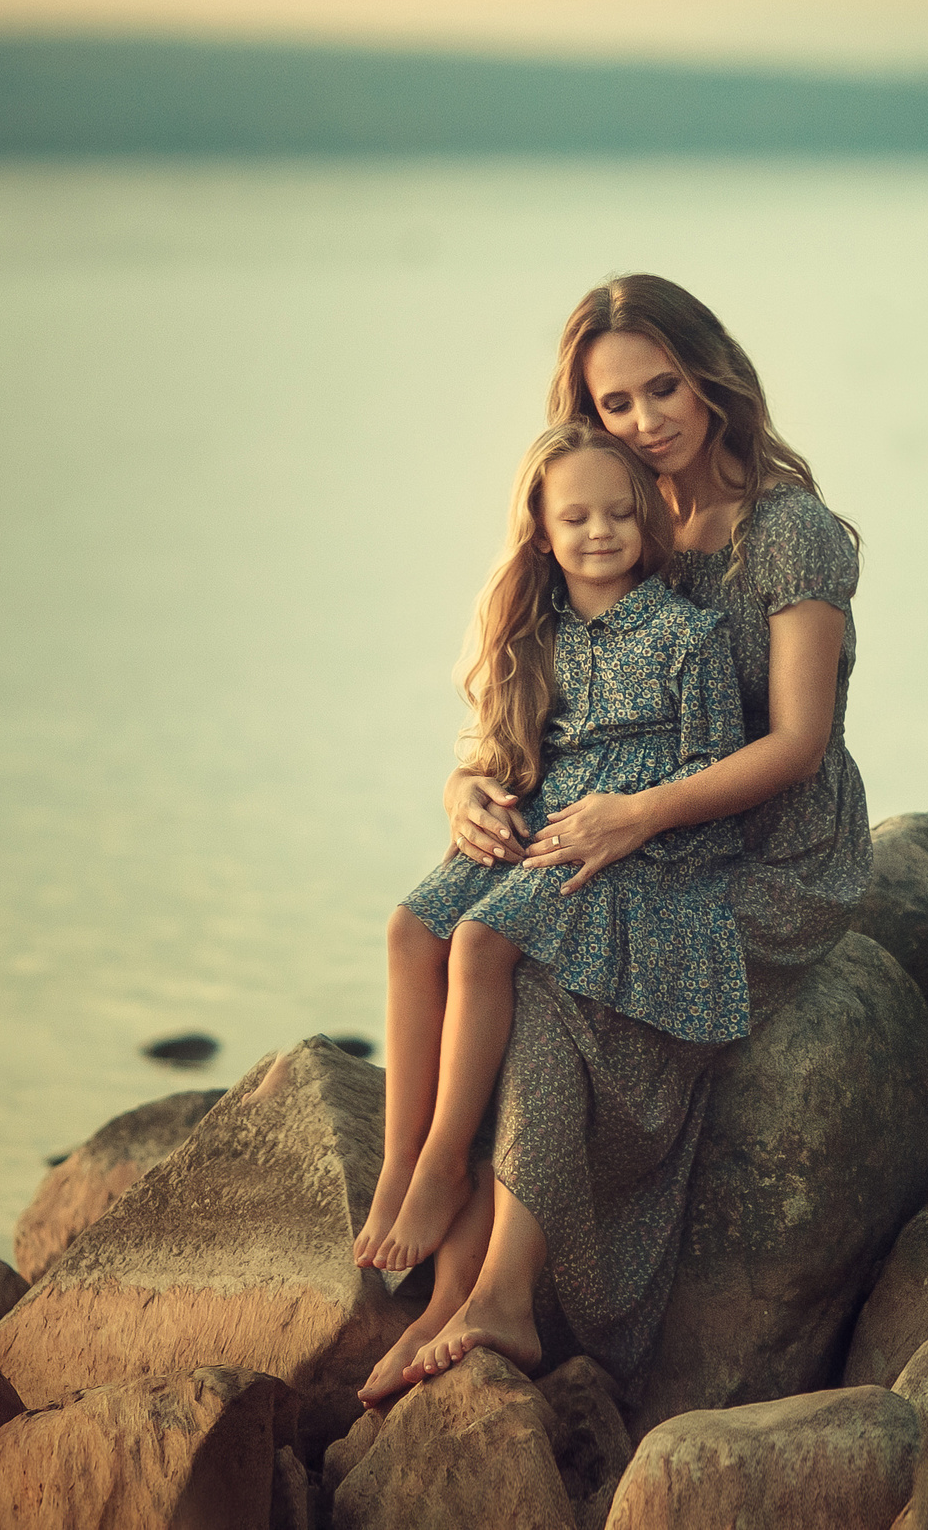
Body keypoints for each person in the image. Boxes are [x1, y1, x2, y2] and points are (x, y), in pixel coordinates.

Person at [380, 274, 866, 1403]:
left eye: (663, 386)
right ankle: (455, 1294)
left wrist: (636, 815)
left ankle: (499, 1296)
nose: (647, 420)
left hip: (769, 853)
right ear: (585, 415)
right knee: (478, 926)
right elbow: (553, 698)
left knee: (548, 975)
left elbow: (798, 740)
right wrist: (467, 786)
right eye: (615, 403)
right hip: (633, 830)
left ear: (712, 375)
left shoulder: (786, 535)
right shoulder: (609, 515)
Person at [351, 420, 755, 1394]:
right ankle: (404, 1160)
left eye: (620, 512)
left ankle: (448, 1166)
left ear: (648, 521)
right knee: (416, 926)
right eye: (575, 515)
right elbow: (490, 750)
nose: (600, 531)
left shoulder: (687, 636)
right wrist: (468, 794)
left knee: (488, 937)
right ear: (538, 526)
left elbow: (718, 783)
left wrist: (641, 825)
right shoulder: (535, 633)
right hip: (544, 821)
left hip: (639, 858)